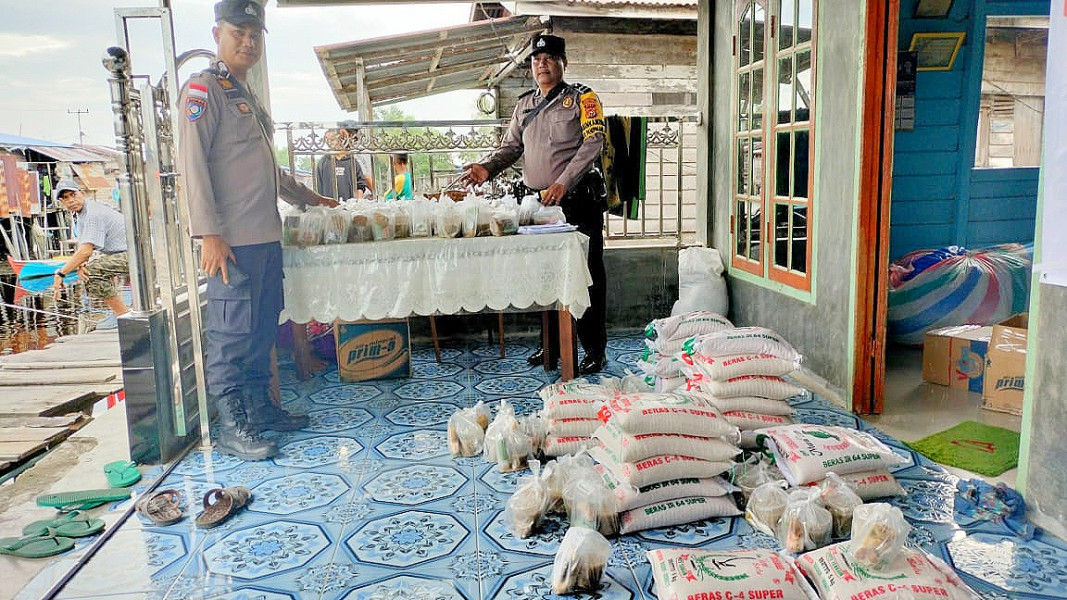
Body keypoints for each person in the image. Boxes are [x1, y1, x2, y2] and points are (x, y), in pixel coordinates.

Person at [177, 0, 337, 461]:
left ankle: (260, 410)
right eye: (238, 31)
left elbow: (267, 170)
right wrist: (208, 233)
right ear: (217, 34)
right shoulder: (202, 91)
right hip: (230, 243)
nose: (248, 41)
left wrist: (311, 199)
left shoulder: (242, 95)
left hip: (264, 237)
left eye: (255, 33)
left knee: (262, 328)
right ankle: (232, 425)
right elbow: (192, 166)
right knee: (231, 336)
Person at [462, 34, 609, 375]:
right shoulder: (524, 105)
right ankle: (552, 345)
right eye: (536, 59)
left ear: (563, 63)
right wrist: (487, 167)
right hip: (538, 207)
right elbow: (511, 147)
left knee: (586, 276)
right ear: (531, 67)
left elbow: (593, 143)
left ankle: (593, 350)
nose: (542, 63)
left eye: (550, 57)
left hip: (577, 201)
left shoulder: (583, 99)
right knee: (544, 276)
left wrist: (563, 182)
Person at [51, 180, 131, 320]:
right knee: (89, 269)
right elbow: (85, 247)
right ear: (62, 202)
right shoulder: (83, 214)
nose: (71, 200)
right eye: (65, 198)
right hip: (126, 253)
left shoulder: (92, 214)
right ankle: (121, 313)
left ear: (82, 193)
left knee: (93, 272)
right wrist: (81, 265)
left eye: (73, 194)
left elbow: (85, 252)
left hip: (137, 255)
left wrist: (61, 273)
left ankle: (123, 316)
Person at [314, 127, 369, 201]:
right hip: (329, 208)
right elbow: (318, 187)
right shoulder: (322, 162)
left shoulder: (352, 162)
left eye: (332, 139)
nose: (330, 143)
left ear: (341, 139)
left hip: (350, 207)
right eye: (327, 140)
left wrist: (358, 202)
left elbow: (360, 185)